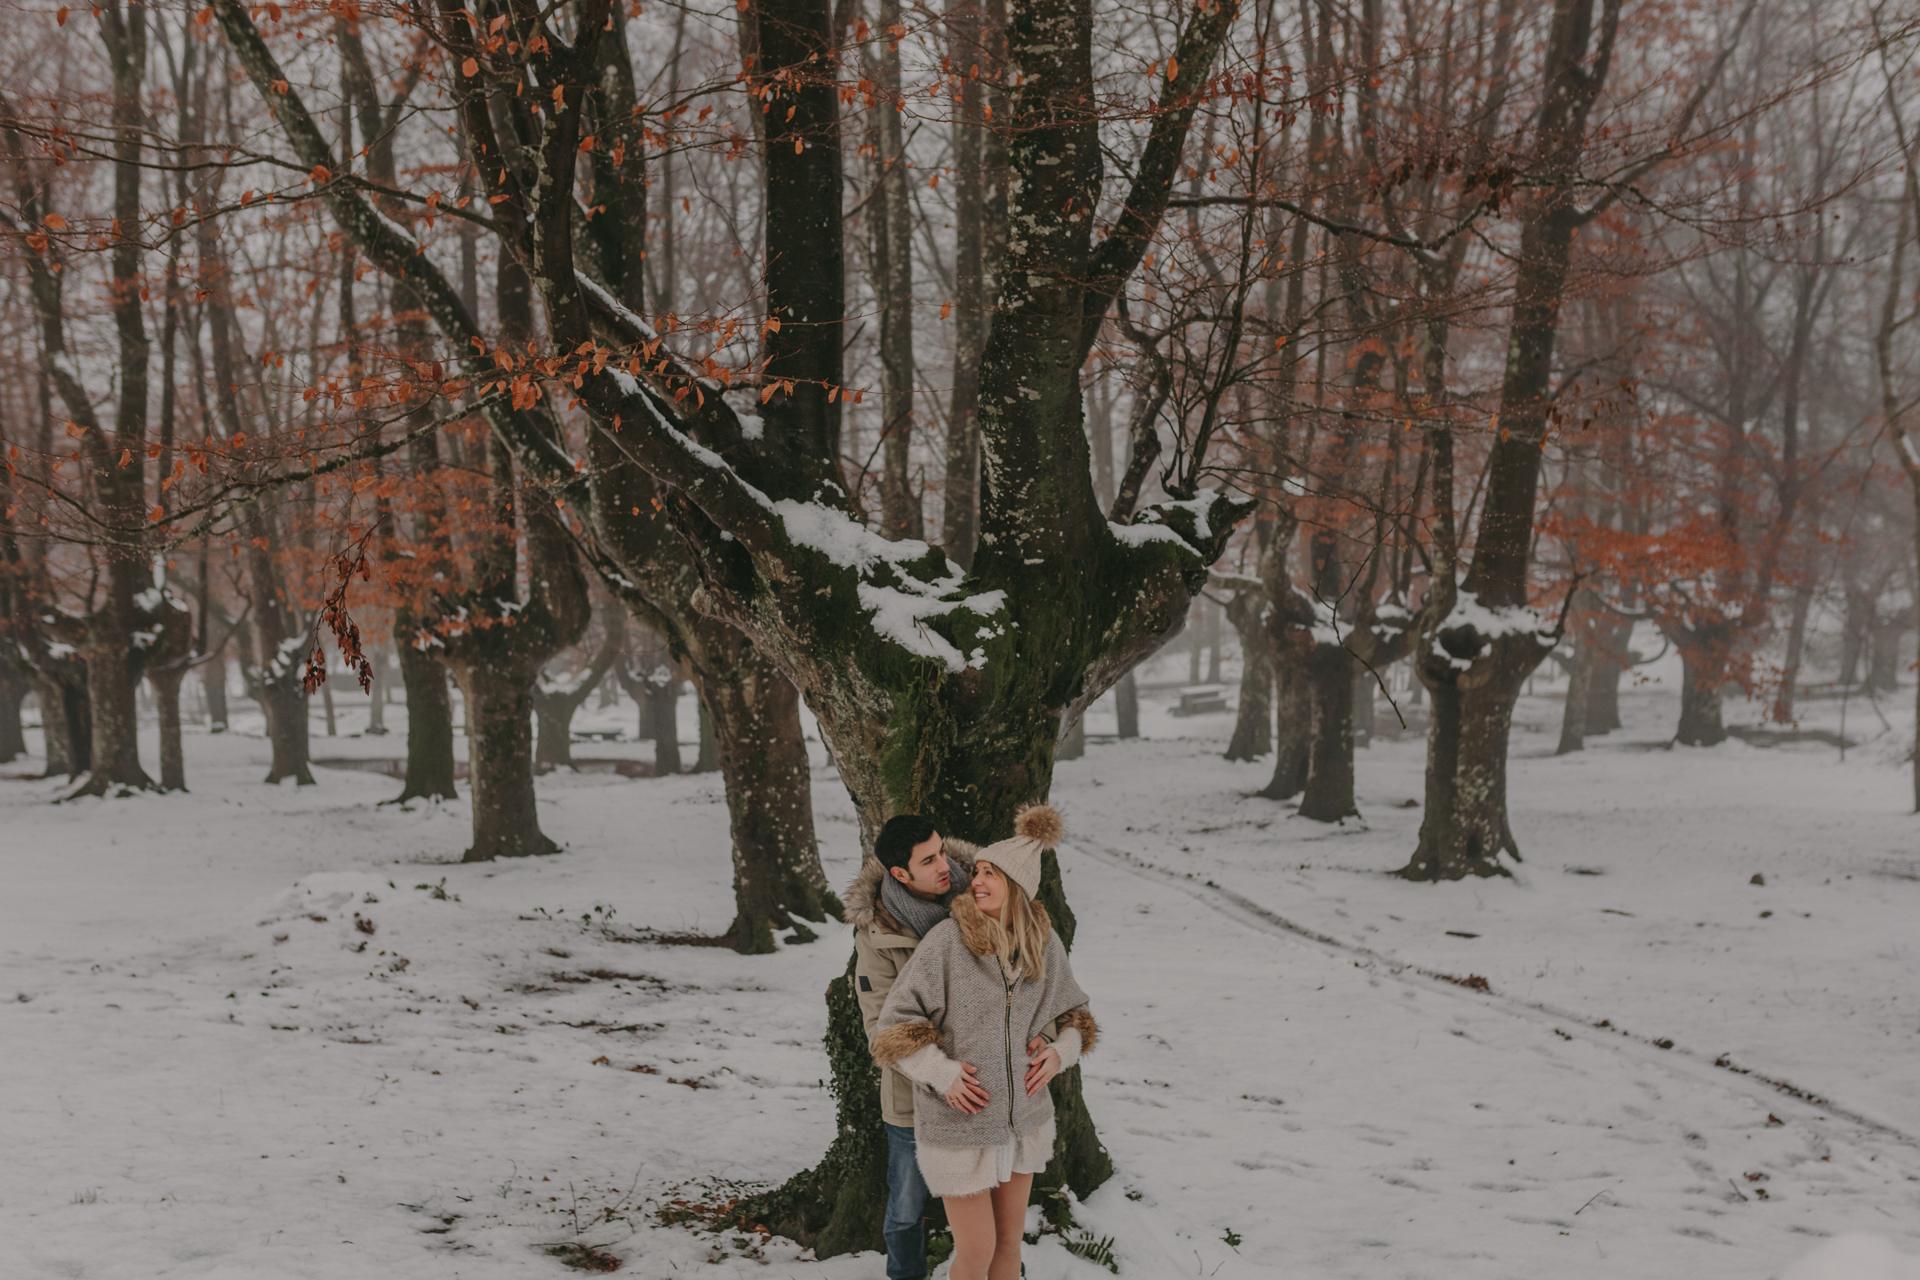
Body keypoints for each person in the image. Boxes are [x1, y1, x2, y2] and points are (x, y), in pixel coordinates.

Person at [872, 805, 1098, 1280]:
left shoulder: (1042, 941)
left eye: (989, 874)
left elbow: (1075, 1015)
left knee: (1009, 1246)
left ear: (1017, 885)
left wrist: (1061, 1052)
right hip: (961, 1126)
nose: (973, 880)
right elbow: (894, 1026)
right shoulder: (946, 943)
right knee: (977, 1251)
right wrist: (942, 1073)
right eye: (976, 871)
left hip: (1024, 1121)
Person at [846, 814, 978, 1280]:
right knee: (905, 1207)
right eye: (929, 860)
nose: (945, 865)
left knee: (991, 1199)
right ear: (899, 873)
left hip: (985, 1092)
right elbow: (882, 1032)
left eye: (942, 851)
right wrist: (944, 1077)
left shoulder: (983, 898)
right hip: (912, 1103)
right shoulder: (879, 937)